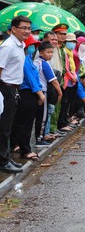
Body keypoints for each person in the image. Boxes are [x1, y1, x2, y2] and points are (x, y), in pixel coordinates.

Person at [0, 15, 33, 173]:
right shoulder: (8, 46)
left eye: (29, 28)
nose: (27, 31)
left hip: (13, 89)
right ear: (13, 29)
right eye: (23, 28)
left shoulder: (20, 45)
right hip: (5, 89)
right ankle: (3, 161)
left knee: (9, 126)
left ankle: (6, 158)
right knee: (4, 127)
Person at [11, 36, 46, 161]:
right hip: (27, 93)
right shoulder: (25, 60)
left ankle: (20, 146)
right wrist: (41, 95)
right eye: (32, 45)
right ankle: (25, 150)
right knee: (25, 124)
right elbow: (31, 80)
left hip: (30, 93)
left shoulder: (28, 59)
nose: (33, 47)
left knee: (22, 122)